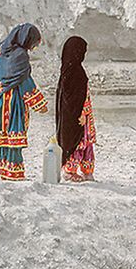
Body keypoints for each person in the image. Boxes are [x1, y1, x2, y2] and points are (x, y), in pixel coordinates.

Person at [0, 23, 48, 181]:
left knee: (3, 135)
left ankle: (4, 170)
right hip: (14, 100)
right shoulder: (20, 54)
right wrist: (39, 103)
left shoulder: (1, 48)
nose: (33, 47)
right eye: (33, 43)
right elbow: (23, 80)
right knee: (14, 132)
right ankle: (14, 172)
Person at [55, 36, 96, 182]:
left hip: (82, 115)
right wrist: (80, 113)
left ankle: (87, 171)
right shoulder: (73, 71)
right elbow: (71, 99)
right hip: (77, 117)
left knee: (86, 143)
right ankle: (69, 170)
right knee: (78, 142)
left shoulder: (70, 69)